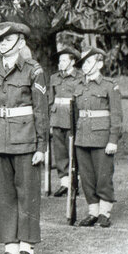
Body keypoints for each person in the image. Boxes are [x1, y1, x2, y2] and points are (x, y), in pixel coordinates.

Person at [0, 22, 49, 254]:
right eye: (0, 40)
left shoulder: (34, 71)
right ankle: (10, 248)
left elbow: (41, 111)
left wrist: (41, 145)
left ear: (21, 42)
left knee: (27, 194)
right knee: (4, 195)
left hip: (25, 139)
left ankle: (26, 249)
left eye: (8, 40)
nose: (2, 44)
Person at [72, 48, 122, 227]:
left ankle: (104, 212)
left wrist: (113, 140)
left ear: (99, 64)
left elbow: (116, 115)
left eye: (88, 62)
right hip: (82, 137)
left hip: (102, 138)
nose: (84, 66)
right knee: (86, 177)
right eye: (83, 63)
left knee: (103, 176)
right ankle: (93, 211)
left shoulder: (109, 85)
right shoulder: (78, 85)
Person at [48, 45, 80, 197]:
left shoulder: (80, 78)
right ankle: (64, 183)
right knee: (60, 153)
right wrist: (49, 121)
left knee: (74, 151)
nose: (60, 62)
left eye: (64, 60)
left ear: (72, 62)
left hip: (72, 119)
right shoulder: (54, 78)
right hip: (57, 119)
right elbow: (50, 100)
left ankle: (76, 181)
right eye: (59, 60)